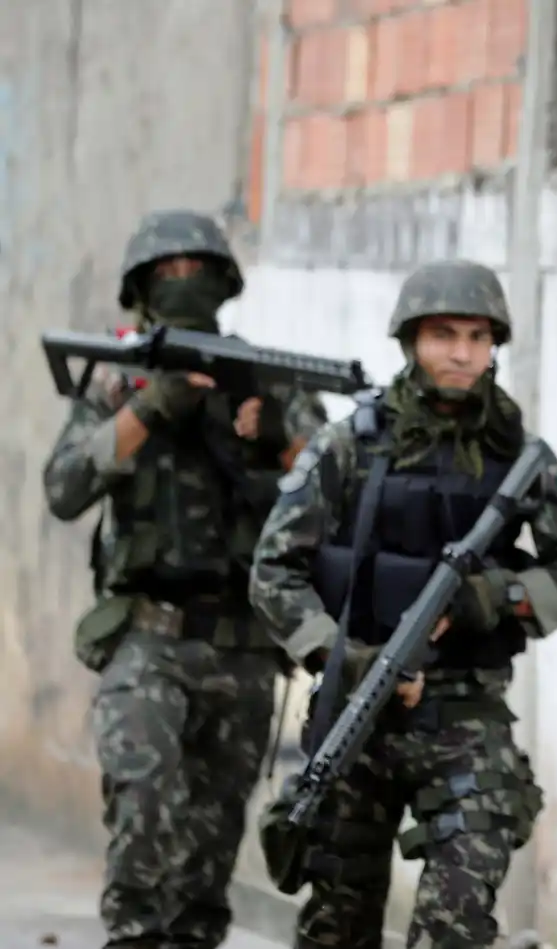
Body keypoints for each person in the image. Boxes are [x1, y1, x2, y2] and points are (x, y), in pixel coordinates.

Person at [248, 258, 557, 949]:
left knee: (455, 924)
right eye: (444, 333)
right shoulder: (349, 446)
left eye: (478, 336)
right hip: (356, 715)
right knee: (336, 927)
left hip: (467, 720)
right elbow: (273, 571)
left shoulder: (521, 457)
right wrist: (339, 654)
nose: (463, 352)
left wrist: (493, 595)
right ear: (411, 339)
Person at [42, 209, 328, 949]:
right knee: (141, 801)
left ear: (223, 282)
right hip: (147, 635)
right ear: (141, 287)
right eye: (166, 273)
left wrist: (272, 436)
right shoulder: (117, 375)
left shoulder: (261, 376)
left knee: (209, 851)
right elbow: (66, 485)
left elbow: (336, 484)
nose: (183, 283)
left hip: (241, 645)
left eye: (196, 270)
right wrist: (149, 406)